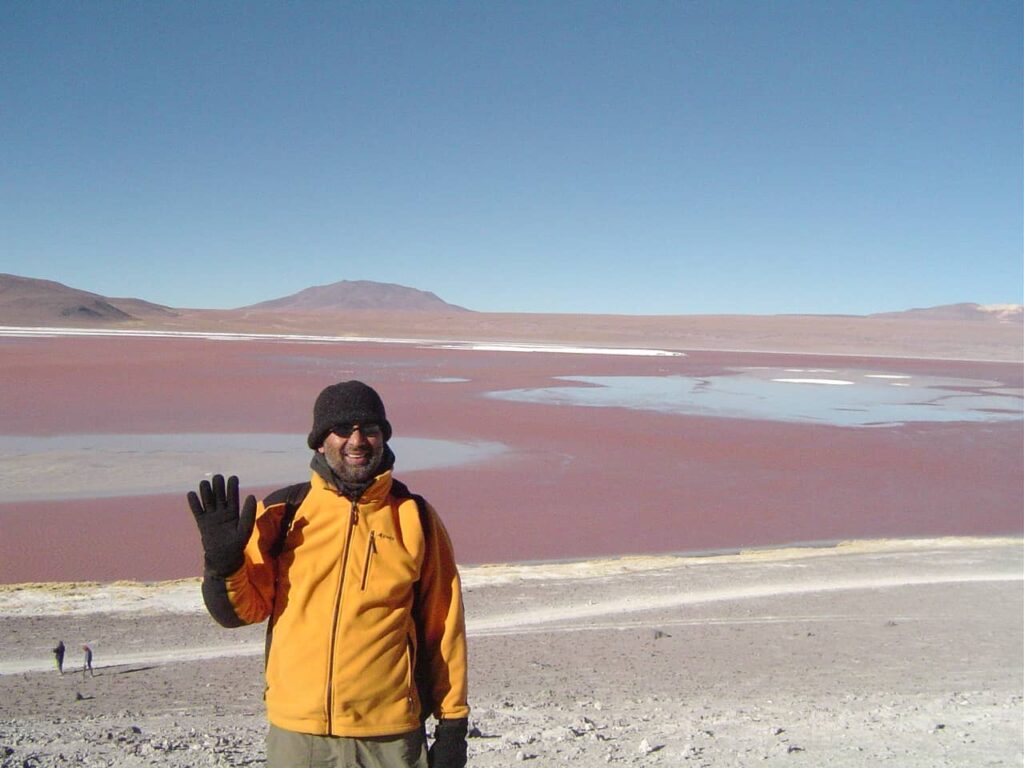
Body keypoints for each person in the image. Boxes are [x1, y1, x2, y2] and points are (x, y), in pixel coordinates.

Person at [188, 380, 469, 768]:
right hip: (299, 735)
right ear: (321, 441)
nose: (357, 441)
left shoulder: (414, 517)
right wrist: (223, 567)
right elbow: (240, 612)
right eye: (343, 429)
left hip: (389, 737)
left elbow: (444, 628)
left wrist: (452, 725)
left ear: (383, 439)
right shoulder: (284, 512)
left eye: (370, 430)